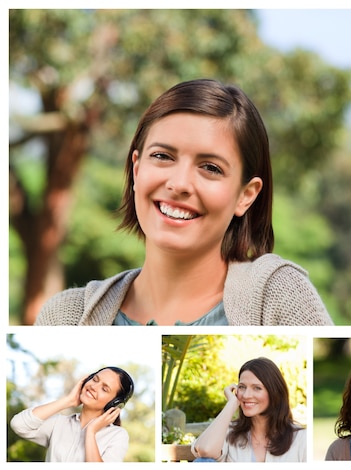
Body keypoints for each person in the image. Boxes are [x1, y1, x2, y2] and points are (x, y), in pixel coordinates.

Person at [34, 78, 333, 326]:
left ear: (246, 195)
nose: (178, 184)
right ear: (137, 170)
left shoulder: (277, 295)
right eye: (162, 156)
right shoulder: (63, 318)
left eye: (210, 168)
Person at [191, 357, 306, 462]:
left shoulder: (301, 438)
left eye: (257, 388)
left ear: (274, 392)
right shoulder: (229, 433)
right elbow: (205, 450)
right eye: (242, 387)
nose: (246, 395)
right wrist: (231, 404)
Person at [10, 366, 134, 462]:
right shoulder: (59, 424)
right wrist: (68, 400)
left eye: (104, 389)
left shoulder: (117, 436)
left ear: (114, 403)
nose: (94, 387)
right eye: (95, 379)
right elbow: (18, 424)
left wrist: (91, 431)